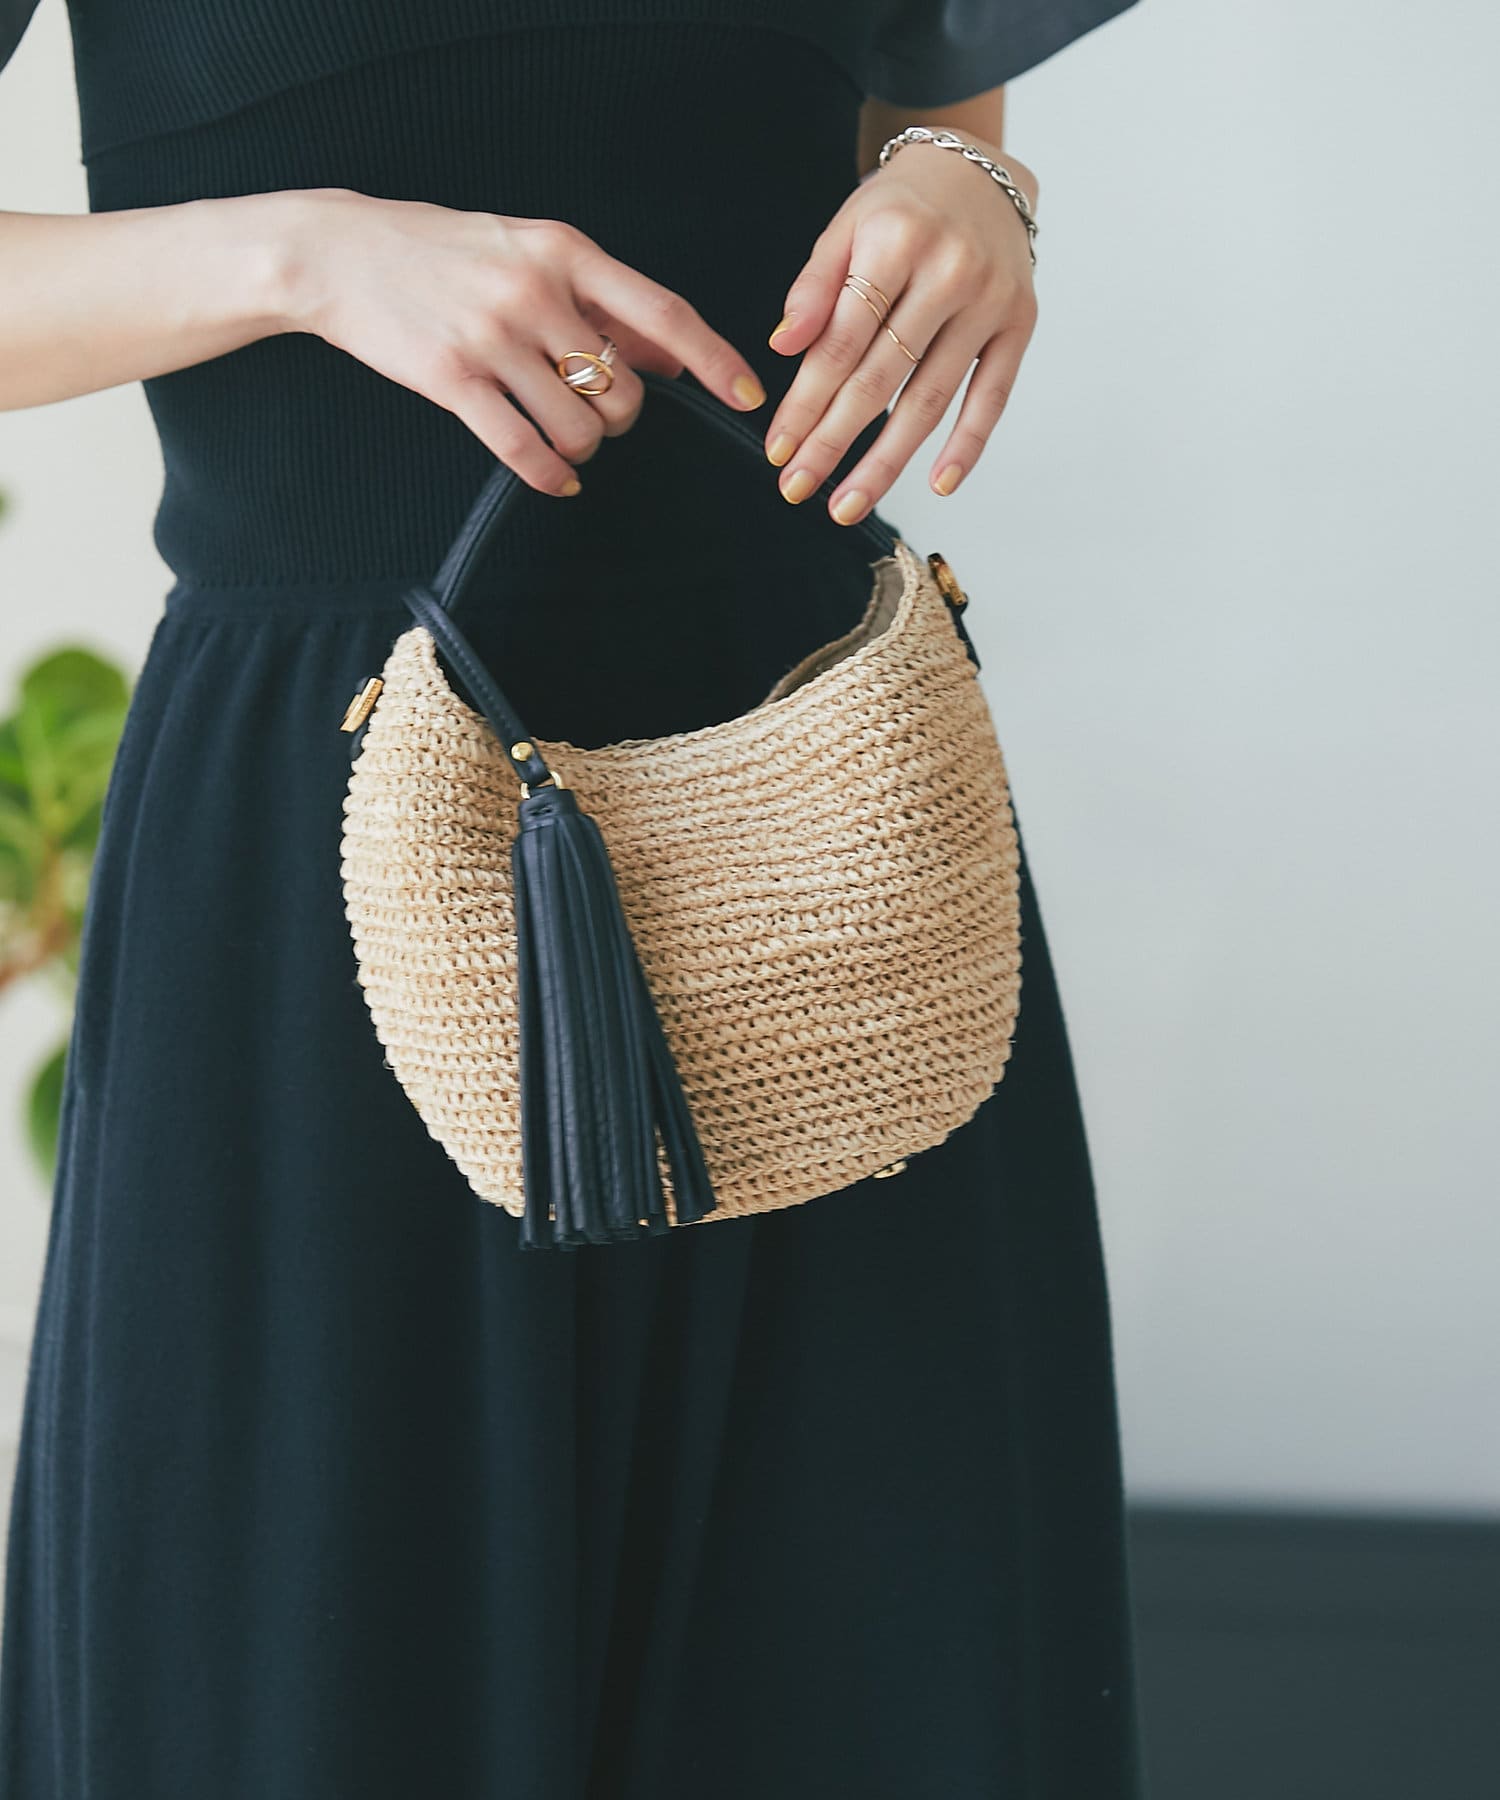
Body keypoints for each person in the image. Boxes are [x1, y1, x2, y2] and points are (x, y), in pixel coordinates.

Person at [0, 2, 1146, 1794]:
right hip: (327, 849)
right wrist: (304, 258)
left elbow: (926, 58)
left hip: (829, 853)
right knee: (306, 1695)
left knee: (875, 1693)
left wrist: (968, 180)